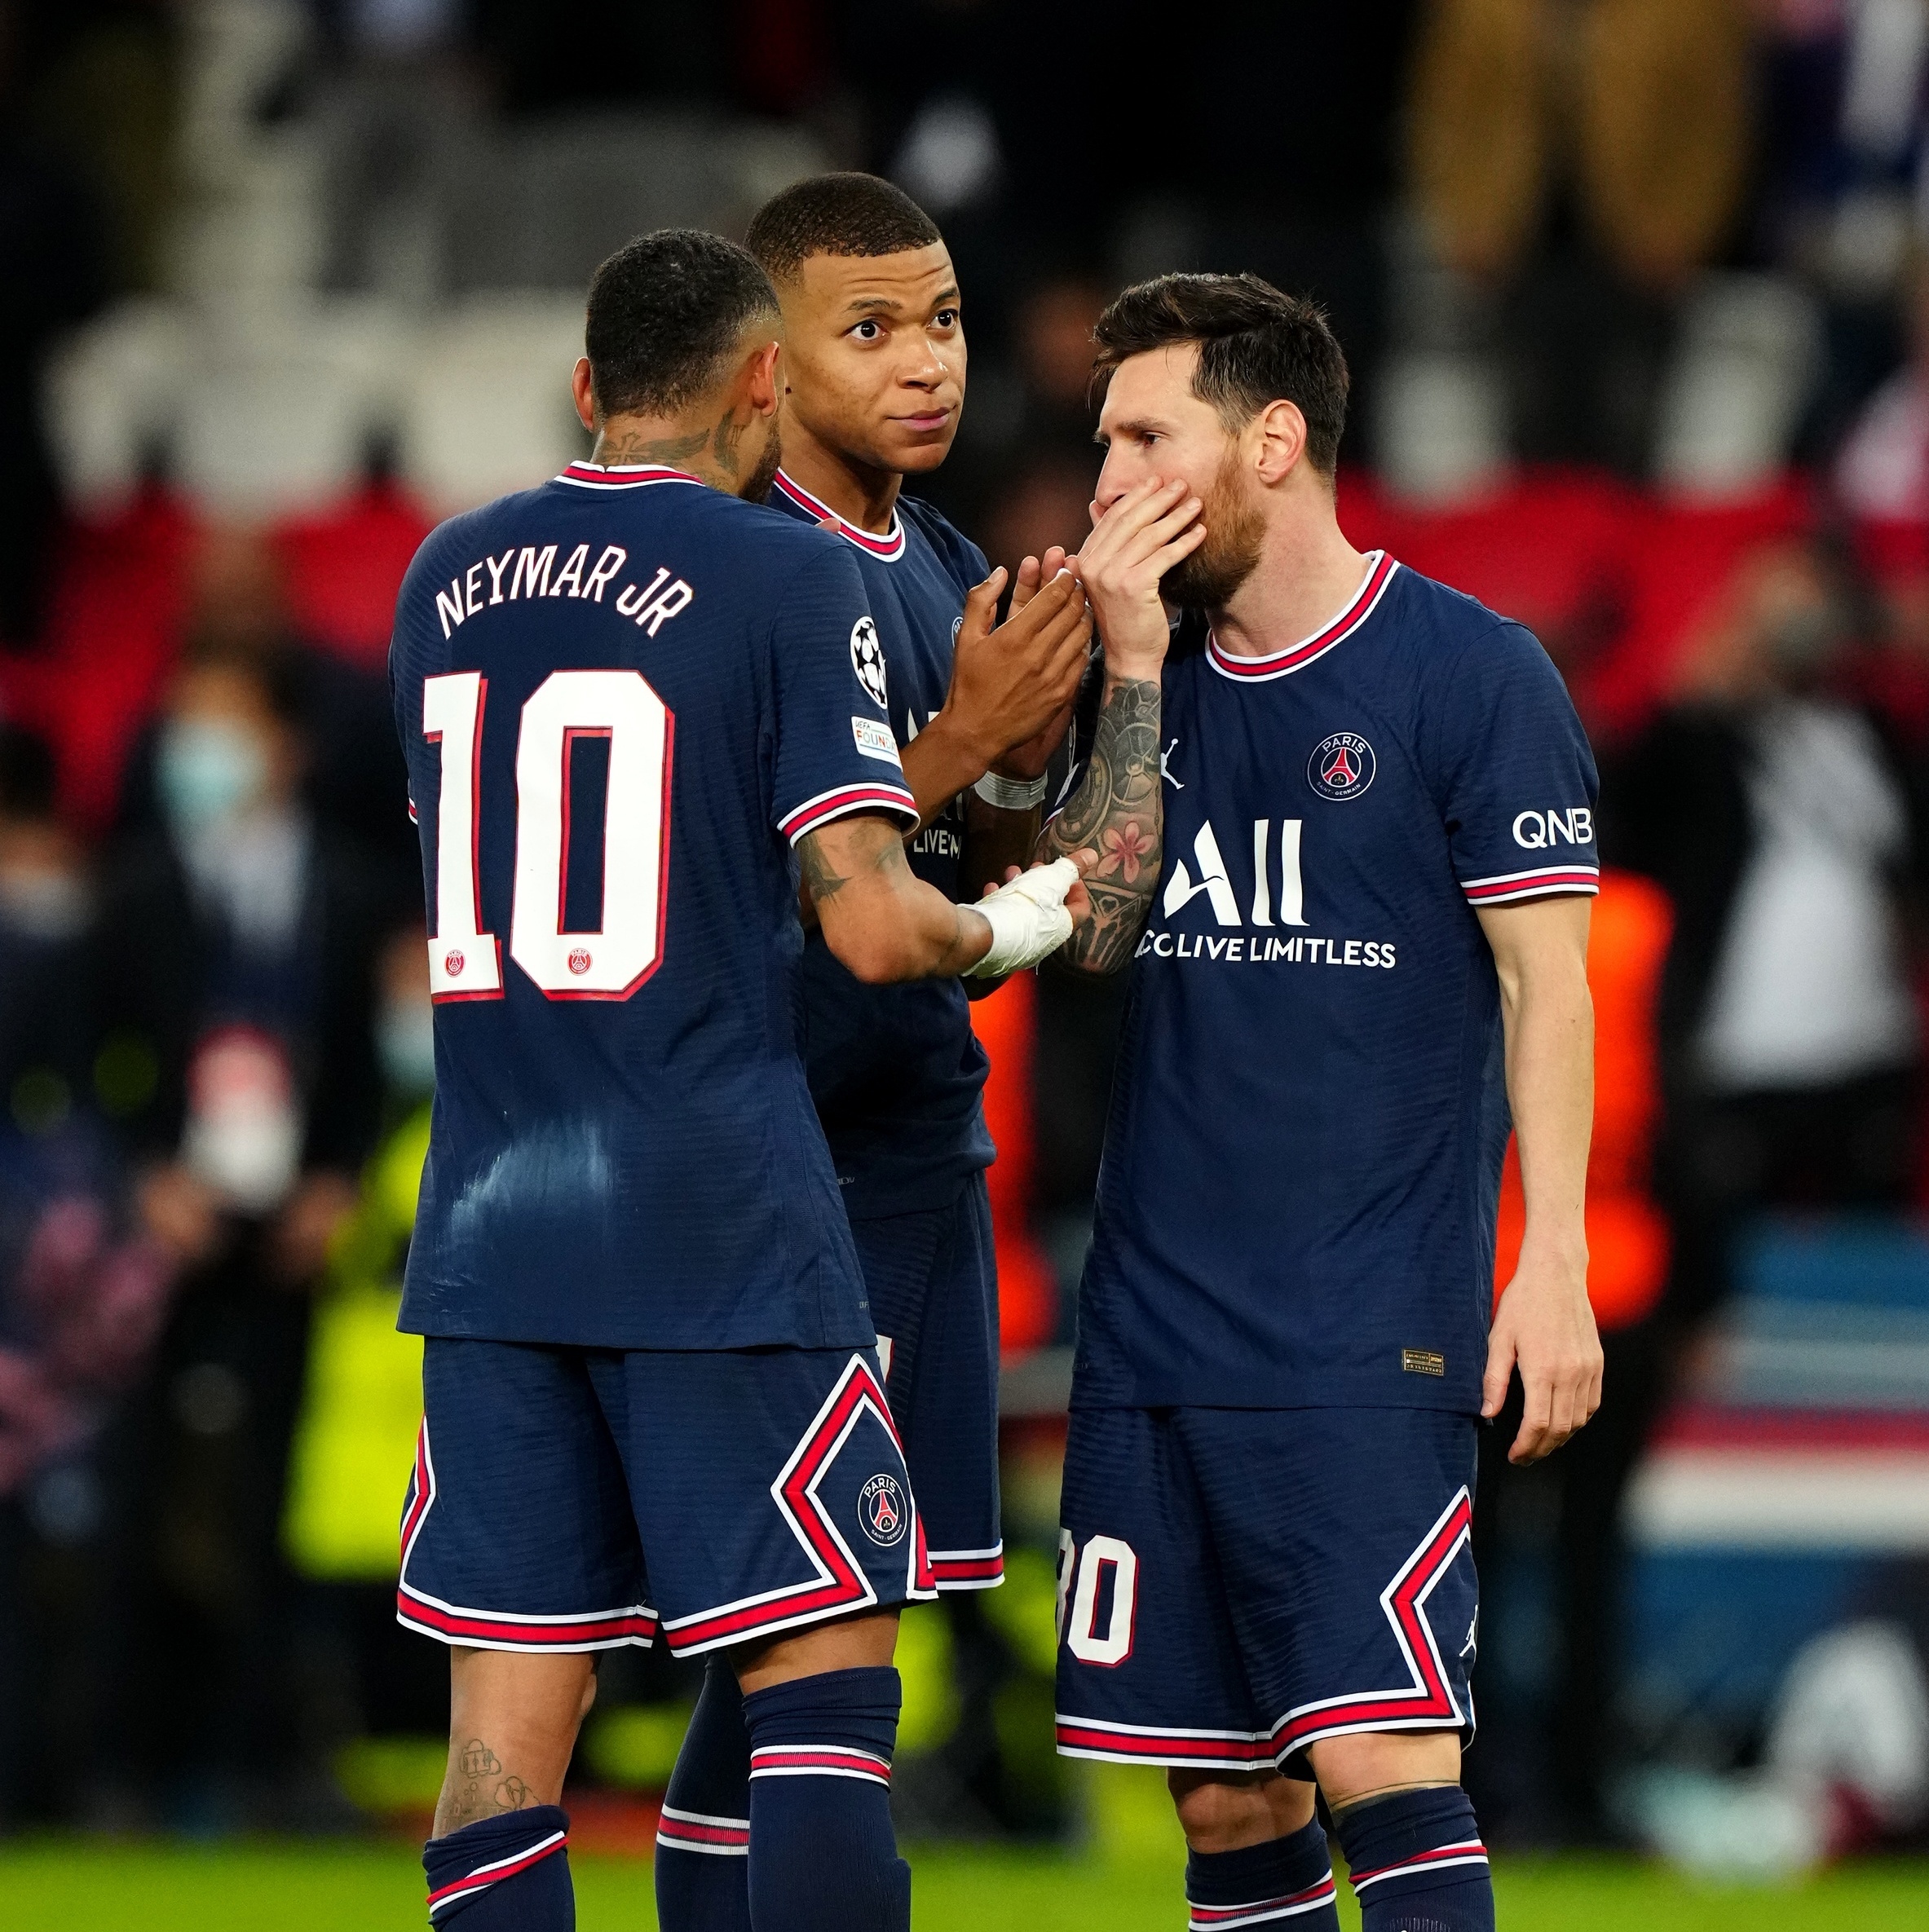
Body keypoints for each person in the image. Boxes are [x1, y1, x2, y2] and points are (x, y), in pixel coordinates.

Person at [386, 227, 1088, 1932]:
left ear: (586, 390)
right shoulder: (783, 581)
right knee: (829, 1706)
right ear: (764, 381)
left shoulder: (442, 576)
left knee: (499, 1766)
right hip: (717, 1214)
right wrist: (1037, 913)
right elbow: (865, 930)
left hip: (488, 1224)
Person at [1040, 274, 1602, 1932]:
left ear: (1272, 440)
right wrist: (1130, 675)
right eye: (1100, 445)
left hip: (1363, 1329)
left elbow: (1543, 985)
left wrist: (1551, 1257)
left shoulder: (1469, 676)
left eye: (1147, 436)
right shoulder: (1119, 676)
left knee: (1380, 1758)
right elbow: (1089, 935)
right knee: (1222, 1798)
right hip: (1150, 1327)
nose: (1106, 485)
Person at [638, 171, 1092, 1925]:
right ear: (767, 360)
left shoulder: (949, 562)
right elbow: (739, 900)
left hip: (906, 1151)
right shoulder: (730, 577)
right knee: (825, 1648)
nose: (926, 365)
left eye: (948, 320)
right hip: (772, 1164)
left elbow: (989, 892)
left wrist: (1047, 745)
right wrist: (967, 736)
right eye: (871, 327)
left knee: (789, 1655)